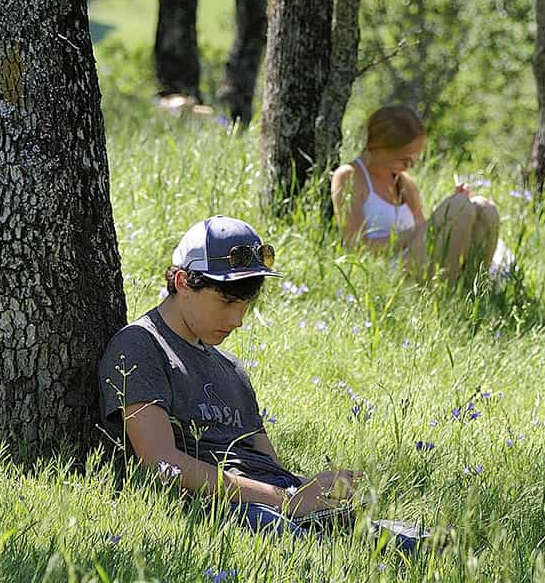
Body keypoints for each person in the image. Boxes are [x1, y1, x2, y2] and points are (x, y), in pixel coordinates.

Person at [98, 216, 362, 538]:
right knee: (305, 546)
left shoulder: (231, 368)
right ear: (183, 282)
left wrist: (313, 491)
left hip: (271, 499)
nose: (237, 320)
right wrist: (290, 501)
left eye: (245, 305)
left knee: (408, 542)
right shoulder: (141, 345)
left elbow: (267, 465)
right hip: (223, 508)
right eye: (226, 302)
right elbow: (161, 463)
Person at [330, 104, 507, 280]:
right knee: (458, 207)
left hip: (415, 260)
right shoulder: (349, 177)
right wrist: (422, 229)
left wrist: (452, 210)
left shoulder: (405, 184)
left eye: (415, 158)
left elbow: (428, 236)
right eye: (404, 159)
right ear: (380, 147)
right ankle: (448, 293)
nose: (411, 166)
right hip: (384, 270)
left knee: (483, 208)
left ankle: (473, 288)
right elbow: (357, 247)